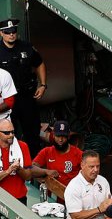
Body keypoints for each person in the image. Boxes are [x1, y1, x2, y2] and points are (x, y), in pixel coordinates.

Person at [0, 18, 45, 149]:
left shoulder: (26, 47)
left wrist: (43, 85)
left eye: (13, 31)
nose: (11, 34)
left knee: (32, 133)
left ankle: (34, 163)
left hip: (27, 97)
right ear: (1, 33)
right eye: (7, 32)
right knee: (7, 135)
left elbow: (39, 63)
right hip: (6, 101)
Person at [62, 150, 112, 219]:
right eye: (91, 167)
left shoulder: (103, 181)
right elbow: (76, 217)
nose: (95, 170)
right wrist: (99, 210)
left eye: (98, 166)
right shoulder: (74, 186)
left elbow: (108, 204)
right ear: (82, 165)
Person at [31, 120, 82, 189]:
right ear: (53, 135)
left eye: (63, 136)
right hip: (51, 196)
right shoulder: (47, 151)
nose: (60, 140)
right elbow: (30, 168)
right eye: (58, 136)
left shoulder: (78, 153)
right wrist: (46, 171)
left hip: (70, 195)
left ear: (68, 136)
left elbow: (88, 172)